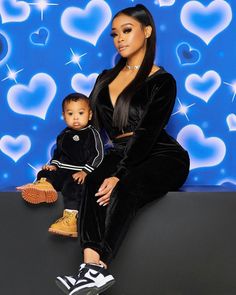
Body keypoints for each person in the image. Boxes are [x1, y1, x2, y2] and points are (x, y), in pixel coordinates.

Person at [55, 4, 190, 295]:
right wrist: (61, 164)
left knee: (125, 186)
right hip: (118, 150)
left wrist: (120, 174)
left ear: (147, 31)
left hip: (161, 152)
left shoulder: (162, 81)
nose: (120, 39)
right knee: (91, 181)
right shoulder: (105, 78)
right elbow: (89, 126)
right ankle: (88, 269)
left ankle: (100, 266)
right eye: (115, 34)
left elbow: (147, 132)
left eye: (127, 31)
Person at [17, 93, 104, 238]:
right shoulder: (64, 134)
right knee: (44, 172)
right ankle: (44, 187)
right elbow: (58, 154)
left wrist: (85, 172)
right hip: (62, 171)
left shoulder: (92, 134)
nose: (75, 117)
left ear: (89, 115)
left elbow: (98, 155)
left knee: (73, 188)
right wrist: (54, 166)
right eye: (70, 114)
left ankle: (70, 220)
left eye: (80, 113)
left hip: (78, 174)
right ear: (64, 116)